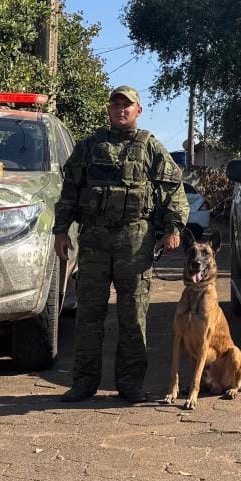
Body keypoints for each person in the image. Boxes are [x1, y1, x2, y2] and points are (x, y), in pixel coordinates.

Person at [54, 86, 189, 403]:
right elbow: (70, 190)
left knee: (133, 316)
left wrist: (174, 227)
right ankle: (84, 383)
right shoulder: (89, 147)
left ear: (138, 110)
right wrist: (61, 231)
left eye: (126, 106)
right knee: (89, 314)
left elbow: (173, 189)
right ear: (109, 110)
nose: (120, 110)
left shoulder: (150, 147)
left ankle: (130, 385)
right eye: (115, 105)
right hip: (94, 239)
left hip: (134, 239)